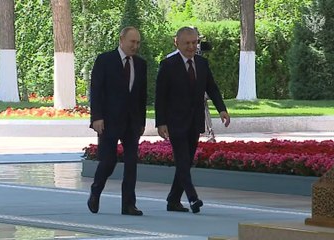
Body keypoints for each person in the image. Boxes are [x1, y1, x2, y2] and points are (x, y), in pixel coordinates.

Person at [155, 26, 230, 214]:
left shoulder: (202, 64)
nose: (191, 47)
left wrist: (222, 110)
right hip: (175, 122)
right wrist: (161, 122)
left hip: (195, 121)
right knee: (182, 160)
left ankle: (173, 200)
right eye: (187, 43)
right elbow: (160, 97)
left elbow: (212, 88)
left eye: (194, 42)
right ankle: (193, 198)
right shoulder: (168, 65)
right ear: (177, 43)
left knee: (186, 162)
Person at [87, 26, 147, 216]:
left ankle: (128, 204)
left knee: (131, 163)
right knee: (108, 161)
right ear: (121, 40)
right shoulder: (105, 60)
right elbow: (96, 90)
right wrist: (97, 117)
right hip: (108, 121)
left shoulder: (140, 64)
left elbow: (141, 96)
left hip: (132, 122)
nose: (135, 46)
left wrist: (142, 122)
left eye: (138, 43)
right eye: (132, 42)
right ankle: (96, 191)